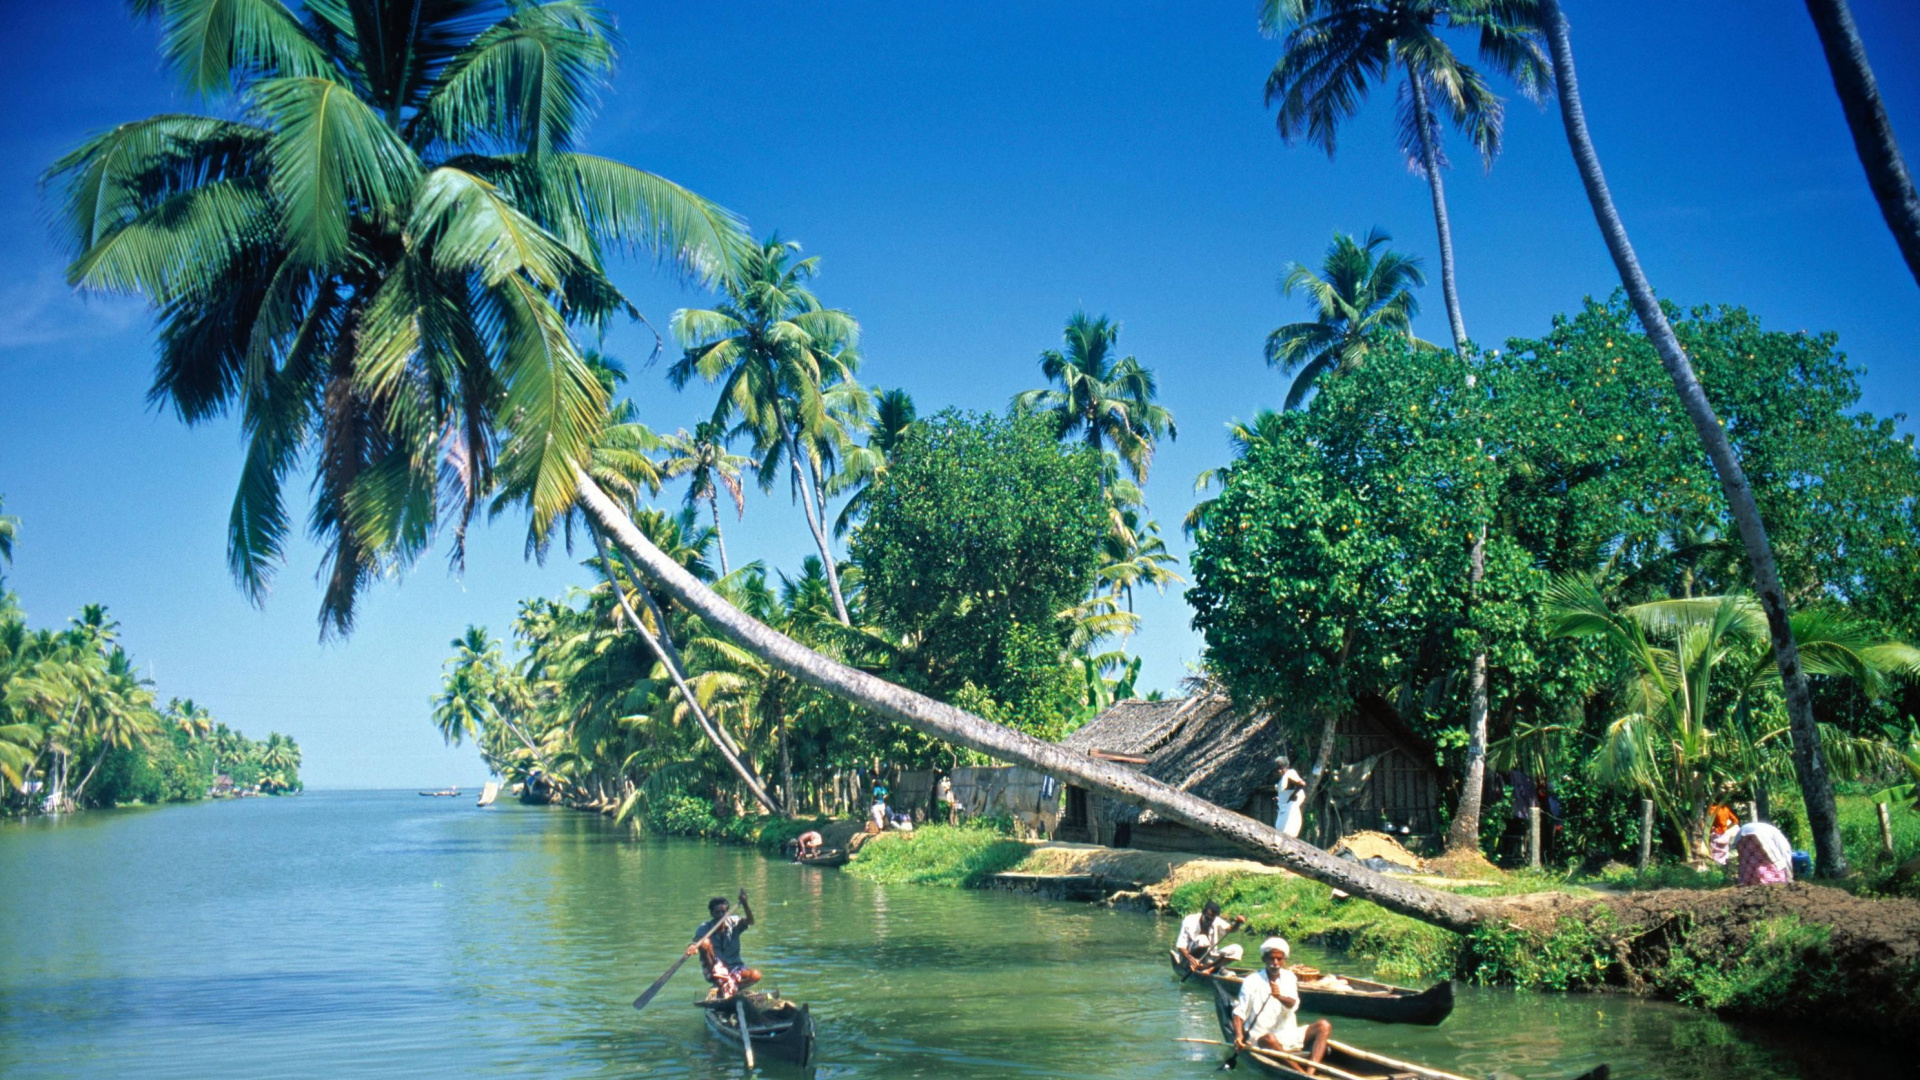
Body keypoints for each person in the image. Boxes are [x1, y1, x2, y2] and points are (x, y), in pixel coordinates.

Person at [1232, 937, 1332, 1074]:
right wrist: (1238, 1036)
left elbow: (1293, 1004)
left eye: (1279, 959)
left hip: (1288, 1034)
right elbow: (1239, 1012)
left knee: (1324, 1025)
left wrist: (1279, 997)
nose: (1275, 963)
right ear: (1264, 959)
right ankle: (1300, 1074)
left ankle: (1310, 1072)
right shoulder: (1251, 981)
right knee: (1269, 1039)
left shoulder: (1290, 977)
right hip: (1262, 1038)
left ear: (1284, 960)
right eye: (1271, 959)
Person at [687, 890, 761, 997]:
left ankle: (731, 988)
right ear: (712, 914)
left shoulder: (734, 922)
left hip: (735, 967)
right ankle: (719, 984)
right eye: (717, 913)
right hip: (715, 969)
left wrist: (745, 904)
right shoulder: (705, 927)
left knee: (755, 975)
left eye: (723, 912)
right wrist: (692, 947)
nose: (721, 915)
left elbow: (750, 921)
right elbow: (697, 940)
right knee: (705, 942)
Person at [1176, 900, 1246, 973]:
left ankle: (1210, 968)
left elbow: (1230, 929)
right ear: (1203, 912)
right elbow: (1181, 946)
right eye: (1207, 917)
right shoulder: (1189, 921)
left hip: (1209, 959)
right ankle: (1197, 966)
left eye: (1212, 918)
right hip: (1189, 958)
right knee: (1203, 939)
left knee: (1237, 949)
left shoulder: (1215, 920)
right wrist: (1191, 960)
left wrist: (1238, 923)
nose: (1209, 921)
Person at [1735, 820, 1794, 885]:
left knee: (1748, 860)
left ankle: (1748, 881)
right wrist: (1789, 877)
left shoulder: (1775, 832)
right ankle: (1769, 882)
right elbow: (1785, 855)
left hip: (1742, 832)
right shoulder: (1783, 842)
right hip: (1760, 834)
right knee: (1767, 862)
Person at [1275, 756, 1306, 839]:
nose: (1279, 771)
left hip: (1289, 810)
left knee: (1287, 834)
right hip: (1283, 809)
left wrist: (1293, 796)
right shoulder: (1283, 779)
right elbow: (1286, 791)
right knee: (1281, 833)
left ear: (1286, 767)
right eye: (1278, 769)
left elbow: (1301, 784)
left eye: (1281, 768)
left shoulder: (1290, 774)